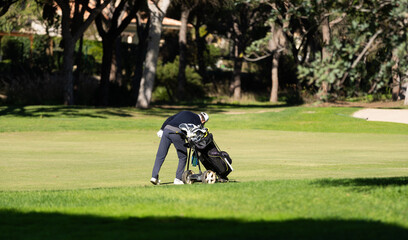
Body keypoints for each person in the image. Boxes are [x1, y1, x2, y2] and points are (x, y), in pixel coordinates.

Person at [150, 111, 209, 185]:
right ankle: (178, 179)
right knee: (183, 156)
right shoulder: (198, 122)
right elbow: (194, 135)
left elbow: (170, 118)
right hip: (176, 133)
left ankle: (154, 177)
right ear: (203, 120)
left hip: (166, 129)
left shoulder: (185, 112)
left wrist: (162, 129)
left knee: (160, 155)